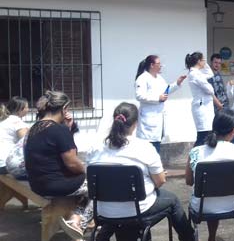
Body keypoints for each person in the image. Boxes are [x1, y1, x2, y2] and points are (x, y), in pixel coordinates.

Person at [88, 102, 195, 241]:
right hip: (137, 210)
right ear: (135, 123)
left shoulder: (95, 148)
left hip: (103, 211)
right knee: (172, 200)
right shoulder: (144, 147)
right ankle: (189, 238)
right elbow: (160, 181)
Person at [25, 91, 92, 240]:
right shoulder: (58, 130)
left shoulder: (34, 128)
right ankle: (78, 222)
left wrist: (67, 129)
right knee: (98, 183)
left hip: (37, 185)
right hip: (55, 186)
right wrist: (87, 171)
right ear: (64, 109)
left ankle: (83, 217)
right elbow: (72, 163)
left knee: (86, 187)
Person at [185, 109, 234, 241]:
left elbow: (189, 181)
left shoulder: (195, 152)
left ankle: (212, 237)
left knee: (209, 196)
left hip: (202, 206)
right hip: (233, 204)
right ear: (233, 131)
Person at [135, 54, 186, 152]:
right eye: (158, 63)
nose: (161, 66)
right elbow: (139, 96)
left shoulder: (159, 78)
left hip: (158, 119)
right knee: (148, 149)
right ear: (151, 65)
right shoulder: (142, 78)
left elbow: (166, 90)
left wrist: (177, 83)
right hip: (148, 119)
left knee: (156, 146)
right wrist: (158, 98)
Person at [185, 52, 215, 147]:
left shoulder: (197, 72)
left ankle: (200, 159)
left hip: (204, 107)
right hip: (202, 108)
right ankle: (193, 160)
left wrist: (204, 63)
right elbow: (210, 89)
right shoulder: (195, 74)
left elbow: (210, 74)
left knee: (206, 135)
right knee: (202, 137)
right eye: (203, 60)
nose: (205, 62)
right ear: (198, 61)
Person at [0, 96, 29, 174]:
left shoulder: (4, 120)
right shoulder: (17, 122)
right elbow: (27, 143)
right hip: (6, 163)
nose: (28, 110)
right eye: (27, 107)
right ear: (20, 109)